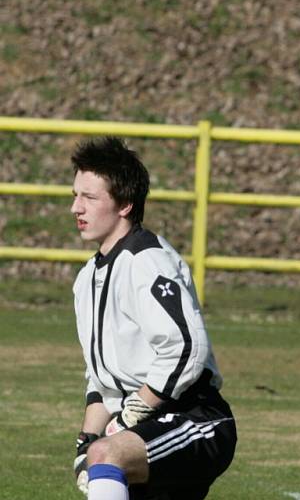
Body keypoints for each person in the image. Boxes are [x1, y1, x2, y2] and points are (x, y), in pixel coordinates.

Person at [69, 137, 236, 500]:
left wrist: (130, 416)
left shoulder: (147, 261)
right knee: (99, 454)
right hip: (143, 424)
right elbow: (102, 381)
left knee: (107, 456)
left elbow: (187, 349)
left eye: (89, 198)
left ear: (125, 204)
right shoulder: (87, 279)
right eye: (75, 195)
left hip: (196, 418)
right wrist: (86, 442)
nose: (75, 208)